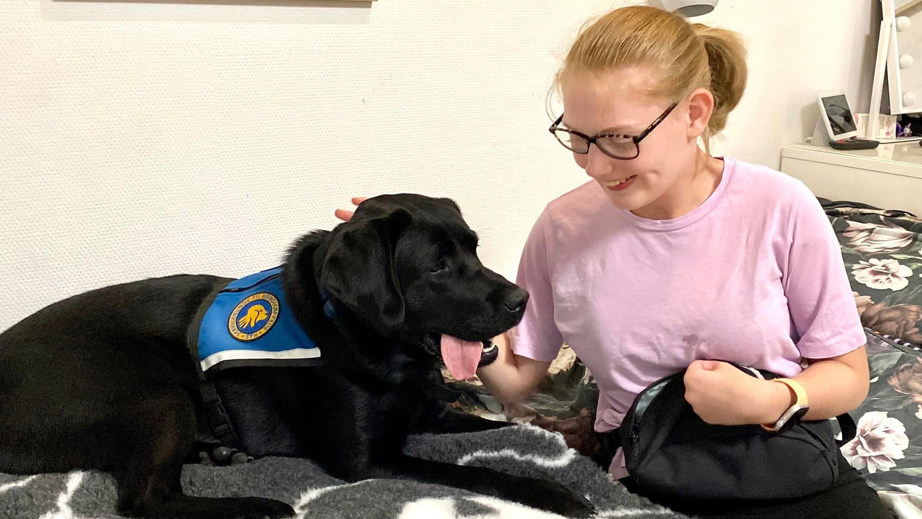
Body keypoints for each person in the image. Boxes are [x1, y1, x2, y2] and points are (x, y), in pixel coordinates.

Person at [337, 6, 892, 518]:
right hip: (654, 475)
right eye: (578, 139)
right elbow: (517, 382)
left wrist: (771, 399)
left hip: (791, 463)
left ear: (695, 113)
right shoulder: (563, 228)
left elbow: (847, 377)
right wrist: (407, 273)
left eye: (619, 140)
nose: (595, 166)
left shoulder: (781, 207)